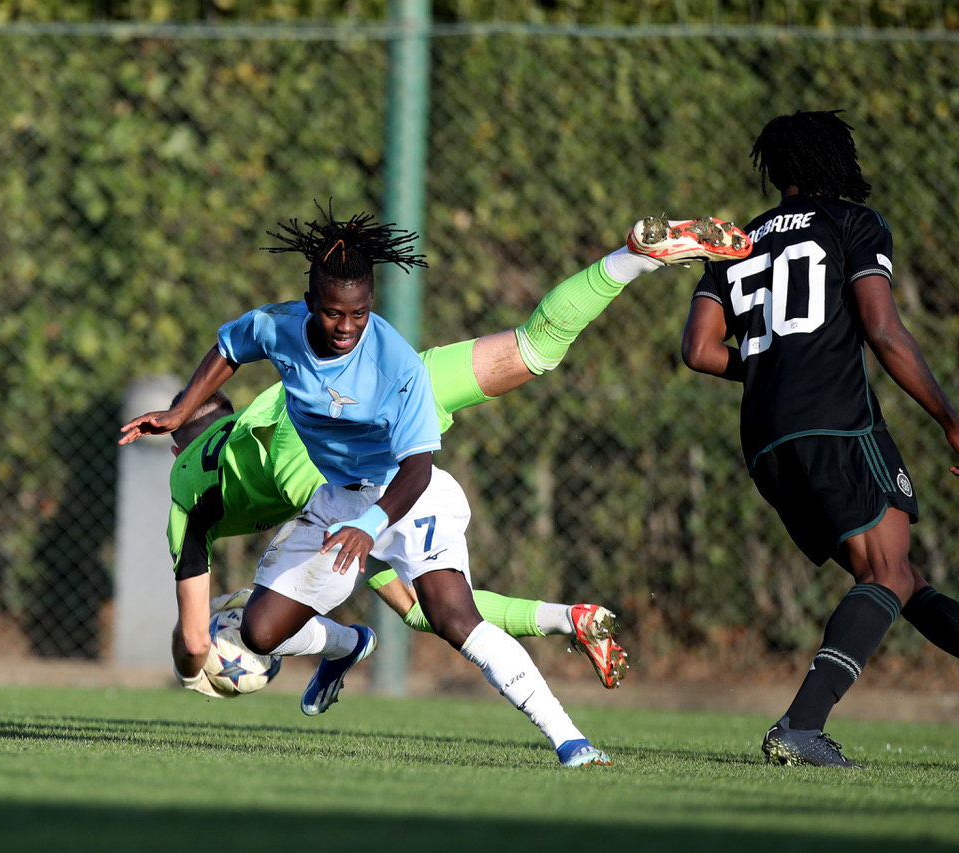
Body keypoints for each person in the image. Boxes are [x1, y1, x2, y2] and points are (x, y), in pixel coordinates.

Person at [121, 202, 750, 767]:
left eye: (358, 315)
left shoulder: (387, 372)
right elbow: (233, 342)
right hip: (342, 495)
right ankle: (629, 260)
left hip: (395, 476)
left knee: (445, 614)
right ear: (310, 304)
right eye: (334, 314)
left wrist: (367, 534)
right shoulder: (281, 334)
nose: (345, 326)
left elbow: (417, 471)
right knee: (267, 632)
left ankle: (571, 739)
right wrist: (179, 411)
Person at [674, 110, 959, 767]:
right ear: (835, 162)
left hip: (764, 440)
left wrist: (770, 368)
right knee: (889, 571)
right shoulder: (853, 223)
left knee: (902, 581)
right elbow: (885, 330)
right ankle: (801, 725)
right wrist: (952, 422)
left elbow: (698, 350)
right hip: (837, 422)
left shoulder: (738, 240)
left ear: (776, 170)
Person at [164, 384, 631, 693]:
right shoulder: (258, 423)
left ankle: (348, 645)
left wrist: (194, 671)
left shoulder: (201, 485)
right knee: (426, 607)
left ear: (175, 447)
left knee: (419, 607)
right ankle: (571, 617)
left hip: (347, 507)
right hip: (362, 493)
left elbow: (191, 633)